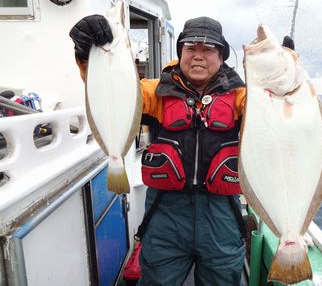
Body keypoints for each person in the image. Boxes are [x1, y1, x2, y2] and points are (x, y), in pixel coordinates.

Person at [69, 15, 294, 286]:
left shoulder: (241, 97)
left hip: (221, 216)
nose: (198, 56)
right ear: (180, 53)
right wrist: (86, 55)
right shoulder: (155, 93)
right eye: (191, 48)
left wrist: (283, 82)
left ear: (221, 56)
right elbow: (112, 90)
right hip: (166, 215)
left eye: (208, 49)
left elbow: (275, 115)